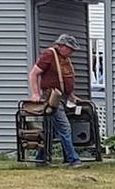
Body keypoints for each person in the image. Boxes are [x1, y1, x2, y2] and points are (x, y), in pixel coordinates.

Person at [28, 34, 86, 168]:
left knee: (52, 130)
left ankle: (41, 159)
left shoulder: (65, 59)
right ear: (62, 46)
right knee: (64, 127)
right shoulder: (49, 54)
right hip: (51, 97)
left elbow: (65, 78)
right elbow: (34, 73)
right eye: (70, 48)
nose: (72, 52)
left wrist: (71, 95)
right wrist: (36, 93)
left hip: (62, 98)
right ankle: (73, 160)